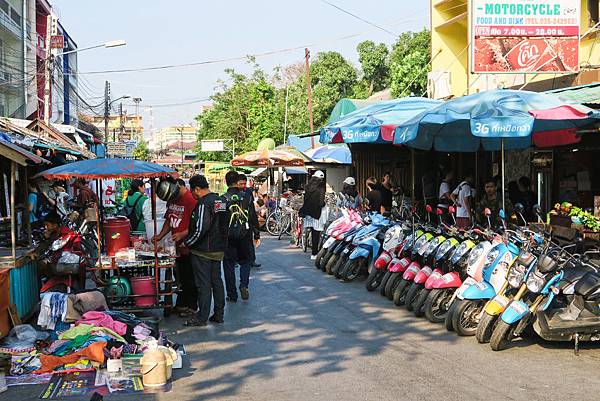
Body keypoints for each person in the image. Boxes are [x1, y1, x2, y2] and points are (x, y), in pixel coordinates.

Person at [182, 175, 227, 326]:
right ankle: (219, 315)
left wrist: (188, 242)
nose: (192, 194)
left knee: (203, 285)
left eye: (192, 191)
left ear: (197, 189)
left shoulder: (203, 203)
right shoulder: (220, 201)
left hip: (203, 251)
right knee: (217, 282)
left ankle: (202, 317)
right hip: (218, 248)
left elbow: (201, 228)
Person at [154, 179, 198, 316]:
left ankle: (191, 307)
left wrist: (182, 234)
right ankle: (181, 305)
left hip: (190, 246)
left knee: (190, 278)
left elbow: (197, 223)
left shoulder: (191, 199)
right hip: (177, 247)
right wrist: (160, 236)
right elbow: (169, 219)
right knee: (180, 278)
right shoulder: (173, 199)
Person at [222, 171, 260, 302]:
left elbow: (218, 220)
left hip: (228, 237)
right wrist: (257, 234)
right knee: (246, 262)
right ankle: (244, 285)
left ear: (226, 182)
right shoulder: (247, 197)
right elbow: (253, 216)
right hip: (245, 235)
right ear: (237, 181)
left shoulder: (222, 199)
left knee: (228, 265)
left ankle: (231, 294)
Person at [25, 212, 84, 288]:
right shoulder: (54, 233)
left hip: (68, 263)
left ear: (55, 225)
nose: (45, 227)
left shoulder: (66, 233)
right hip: (61, 262)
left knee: (41, 265)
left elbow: (53, 247)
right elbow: (45, 246)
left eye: (47, 225)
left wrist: (47, 239)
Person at [300, 171, 327, 259]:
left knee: (312, 231)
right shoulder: (321, 187)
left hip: (308, 212)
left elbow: (305, 199)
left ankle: (313, 253)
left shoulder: (308, 186)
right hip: (316, 212)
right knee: (317, 233)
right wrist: (324, 205)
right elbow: (321, 202)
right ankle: (315, 253)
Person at [237, 173, 260, 268]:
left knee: (249, 242)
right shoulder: (233, 194)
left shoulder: (248, 192)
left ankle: (251, 260)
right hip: (236, 221)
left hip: (247, 221)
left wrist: (256, 230)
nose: (243, 186)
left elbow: (252, 210)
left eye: (244, 183)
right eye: (241, 184)